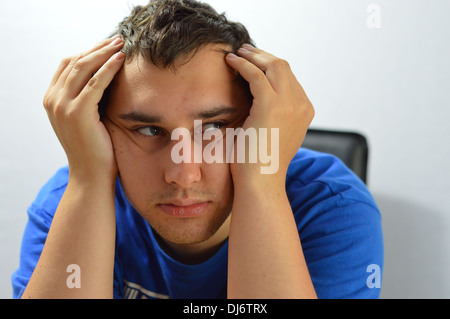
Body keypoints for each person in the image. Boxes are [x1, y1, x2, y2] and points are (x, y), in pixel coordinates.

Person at [12, 0, 383, 299]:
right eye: (148, 129)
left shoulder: (331, 204)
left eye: (216, 127)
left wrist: (262, 184)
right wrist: (88, 181)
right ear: (100, 129)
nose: (183, 173)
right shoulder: (69, 199)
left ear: (260, 121)